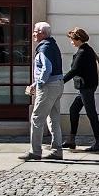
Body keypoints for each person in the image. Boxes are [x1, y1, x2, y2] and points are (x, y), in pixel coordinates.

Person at [20, 21, 64, 161]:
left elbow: (47, 69)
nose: (33, 33)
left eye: (35, 31)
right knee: (54, 118)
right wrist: (35, 83)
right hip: (58, 84)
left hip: (48, 87)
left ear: (42, 33)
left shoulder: (44, 48)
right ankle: (57, 151)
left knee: (37, 118)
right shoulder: (52, 45)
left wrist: (39, 84)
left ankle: (35, 151)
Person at [62, 27, 99, 152]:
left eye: (72, 39)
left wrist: (61, 81)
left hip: (86, 86)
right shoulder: (87, 49)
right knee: (74, 109)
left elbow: (75, 70)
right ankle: (71, 139)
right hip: (86, 86)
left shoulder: (83, 52)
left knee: (91, 113)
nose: (71, 42)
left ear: (78, 39)